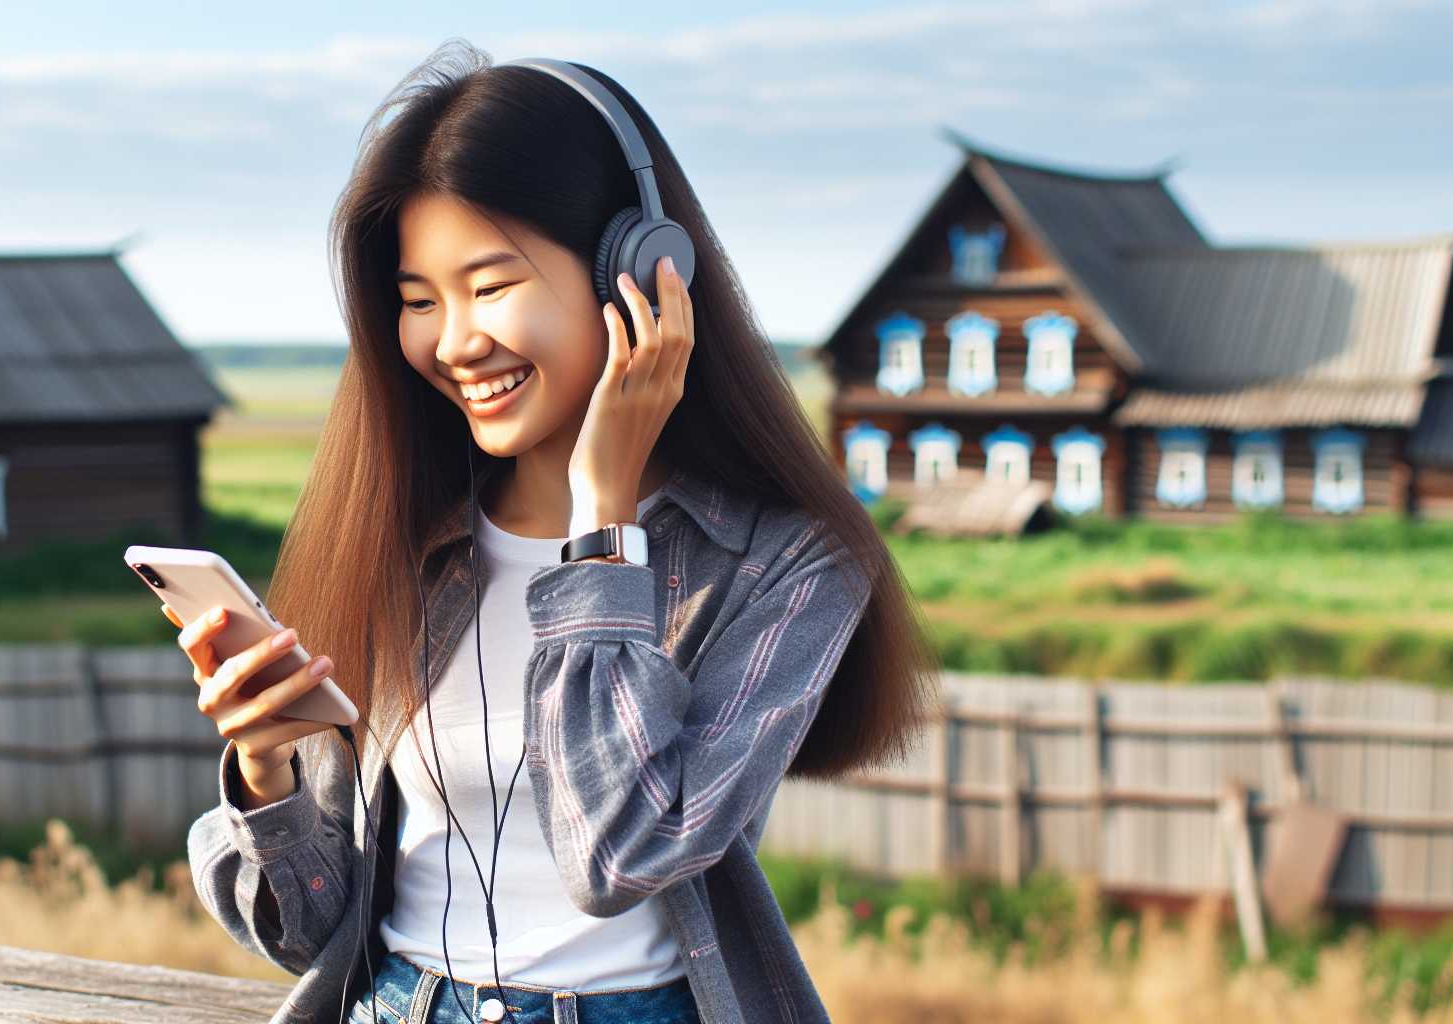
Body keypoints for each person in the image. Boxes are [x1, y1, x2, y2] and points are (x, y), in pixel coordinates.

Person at [175, 39, 937, 1024]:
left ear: (640, 274)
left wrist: (600, 522)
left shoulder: (787, 565)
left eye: (490, 287)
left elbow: (619, 852)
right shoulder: (403, 543)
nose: (453, 341)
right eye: (418, 301)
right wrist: (264, 770)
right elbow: (309, 937)